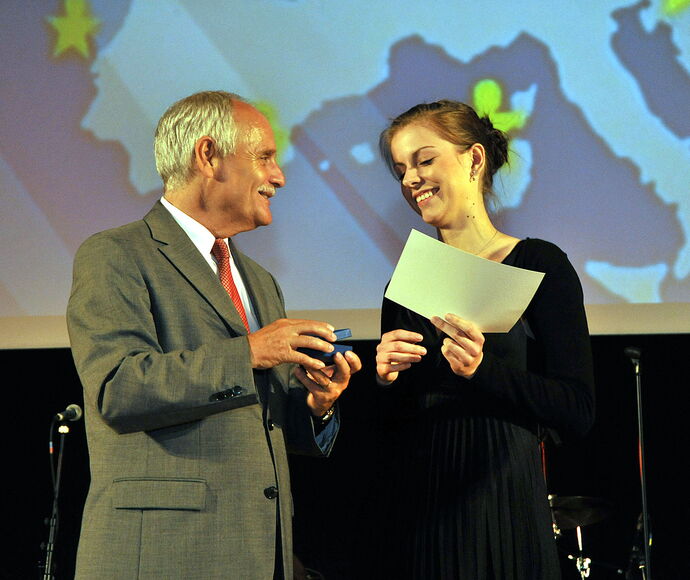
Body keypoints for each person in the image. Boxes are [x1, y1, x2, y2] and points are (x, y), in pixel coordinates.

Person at [66, 90, 361, 579]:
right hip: (163, 555)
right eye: (265, 157)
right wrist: (249, 352)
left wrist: (316, 405)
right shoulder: (116, 254)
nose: (279, 177)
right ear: (208, 156)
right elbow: (118, 389)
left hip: (258, 553)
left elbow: (260, 422)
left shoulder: (260, 282)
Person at [374, 100, 595, 579]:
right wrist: (385, 380)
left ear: (474, 159)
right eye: (401, 170)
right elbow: (393, 426)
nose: (411, 179)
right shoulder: (406, 283)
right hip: (424, 514)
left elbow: (576, 409)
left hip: (505, 504)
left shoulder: (538, 265)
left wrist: (482, 370)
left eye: (424, 160)